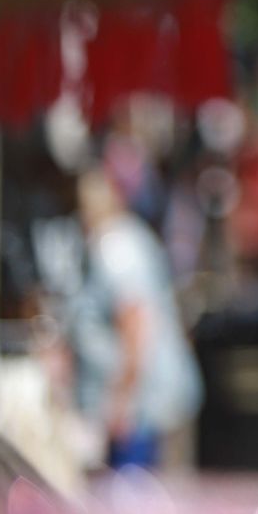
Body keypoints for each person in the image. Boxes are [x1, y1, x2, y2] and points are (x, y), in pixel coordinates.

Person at [71, 170, 203, 471]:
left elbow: (136, 324)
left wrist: (122, 400)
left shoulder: (115, 247)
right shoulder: (130, 237)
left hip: (139, 404)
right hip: (146, 397)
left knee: (129, 490)